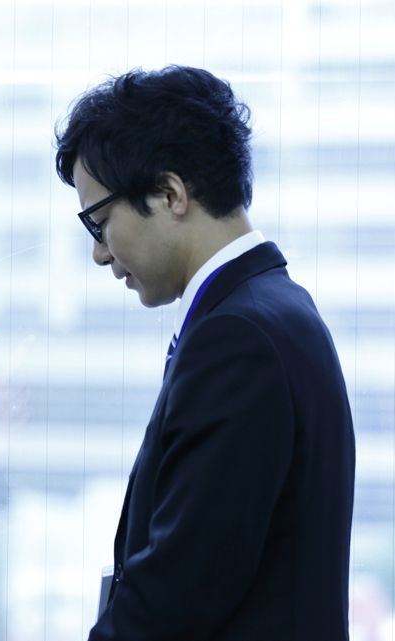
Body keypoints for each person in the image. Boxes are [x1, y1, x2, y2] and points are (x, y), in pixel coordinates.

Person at [55, 65, 355, 640]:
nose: (100, 254)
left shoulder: (238, 339)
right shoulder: (272, 307)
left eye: (100, 222)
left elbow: (176, 595)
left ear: (170, 194)